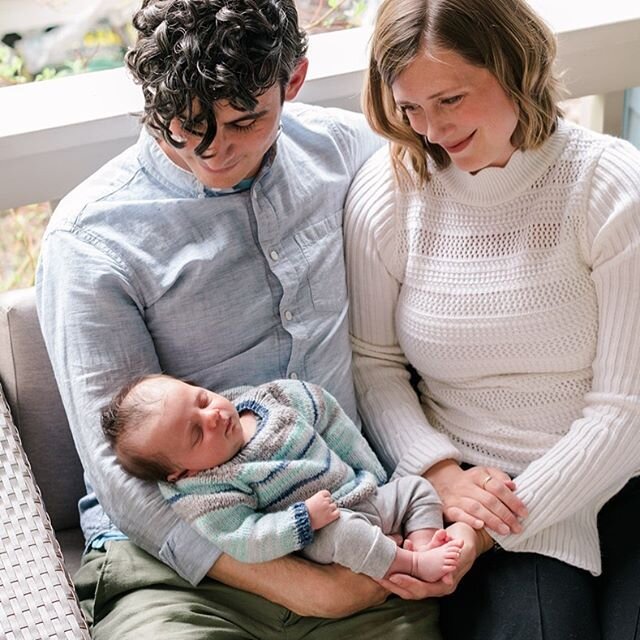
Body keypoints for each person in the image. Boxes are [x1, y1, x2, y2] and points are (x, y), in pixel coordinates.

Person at [35, 0, 443, 637]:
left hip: (354, 520)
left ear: (295, 81)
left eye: (244, 121)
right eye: (182, 123)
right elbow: (123, 479)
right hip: (180, 568)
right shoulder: (90, 240)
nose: (213, 151)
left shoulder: (345, 153)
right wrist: (317, 592)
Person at [345, 0, 640, 638]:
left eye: (450, 99)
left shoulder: (609, 185)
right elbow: (374, 363)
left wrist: (481, 534)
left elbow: (625, 409)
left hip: (619, 478)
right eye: (411, 107)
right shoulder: (390, 190)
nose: (431, 130)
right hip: (479, 483)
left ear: (514, 67)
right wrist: (440, 475)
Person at [102, 374, 465, 583]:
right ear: (182, 471)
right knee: (348, 535)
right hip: (324, 532)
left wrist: (371, 475)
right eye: (196, 433)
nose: (212, 416)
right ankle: (411, 565)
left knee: (418, 489)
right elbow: (244, 538)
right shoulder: (206, 489)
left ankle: (422, 542)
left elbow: (333, 422)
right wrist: (303, 518)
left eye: (201, 400)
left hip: (364, 493)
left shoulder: (275, 399)